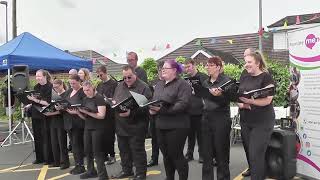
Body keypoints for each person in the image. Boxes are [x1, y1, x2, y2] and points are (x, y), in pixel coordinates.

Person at [149, 59, 192, 180]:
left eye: (165, 68)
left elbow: (183, 104)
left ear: (174, 70)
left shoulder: (183, 84)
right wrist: (151, 109)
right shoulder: (159, 84)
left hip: (177, 125)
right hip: (160, 124)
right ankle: (169, 177)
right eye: (162, 68)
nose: (162, 70)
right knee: (166, 156)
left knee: (176, 155)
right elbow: (155, 101)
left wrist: (161, 110)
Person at [238, 51, 275, 180]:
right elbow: (239, 96)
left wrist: (251, 102)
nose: (246, 64)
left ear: (257, 63)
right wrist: (242, 104)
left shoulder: (266, 77)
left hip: (262, 122)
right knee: (252, 155)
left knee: (255, 155)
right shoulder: (244, 77)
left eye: (249, 62)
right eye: (245, 62)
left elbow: (268, 100)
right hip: (246, 121)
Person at [112, 65, 152, 180]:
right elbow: (115, 100)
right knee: (123, 150)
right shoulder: (120, 86)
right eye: (124, 78)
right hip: (121, 125)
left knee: (137, 150)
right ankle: (126, 170)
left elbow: (147, 107)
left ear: (135, 74)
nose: (127, 80)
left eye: (129, 77)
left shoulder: (144, 87)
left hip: (137, 125)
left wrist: (131, 113)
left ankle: (140, 174)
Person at [201, 56, 235, 180]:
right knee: (207, 154)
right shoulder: (205, 82)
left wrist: (220, 95)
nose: (207, 67)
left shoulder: (227, 81)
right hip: (206, 119)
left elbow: (231, 98)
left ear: (218, 67)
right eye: (207, 65)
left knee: (221, 153)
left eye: (210, 65)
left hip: (221, 119)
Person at [68, 81, 109, 180]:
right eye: (85, 90)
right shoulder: (85, 99)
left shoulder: (99, 98)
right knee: (88, 151)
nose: (86, 92)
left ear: (93, 87)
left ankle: (103, 176)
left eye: (88, 90)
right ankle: (91, 171)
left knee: (97, 152)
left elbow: (101, 116)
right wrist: (78, 113)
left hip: (98, 128)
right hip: (88, 127)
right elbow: (86, 118)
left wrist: (86, 111)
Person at [183, 59, 208, 163]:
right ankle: (189, 153)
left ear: (194, 65)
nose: (187, 69)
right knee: (190, 134)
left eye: (188, 66)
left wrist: (197, 91)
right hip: (188, 110)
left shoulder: (203, 77)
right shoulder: (185, 79)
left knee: (201, 134)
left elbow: (207, 92)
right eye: (185, 67)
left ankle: (202, 154)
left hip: (201, 110)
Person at [26, 69, 53, 165]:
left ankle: (49, 158)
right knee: (37, 137)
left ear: (45, 76)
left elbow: (48, 103)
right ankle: (39, 158)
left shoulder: (50, 86)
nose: (37, 78)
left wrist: (35, 100)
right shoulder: (36, 87)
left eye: (39, 76)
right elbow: (34, 100)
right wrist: (30, 103)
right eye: (36, 76)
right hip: (35, 114)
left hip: (45, 115)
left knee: (46, 137)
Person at [43, 79, 70, 169]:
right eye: (54, 88)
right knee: (54, 142)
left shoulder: (65, 94)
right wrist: (47, 109)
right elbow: (53, 107)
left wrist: (50, 113)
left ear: (62, 85)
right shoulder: (54, 95)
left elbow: (62, 110)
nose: (55, 89)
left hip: (61, 121)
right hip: (53, 121)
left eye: (57, 87)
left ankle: (65, 162)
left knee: (61, 142)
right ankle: (56, 161)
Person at [95, 65, 118, 165]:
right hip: (101, 112)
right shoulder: (99, 85)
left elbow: (116, 98)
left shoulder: (114, 84)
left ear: (106, 72)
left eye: (101, 75)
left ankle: (112, 155)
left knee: (110, 136)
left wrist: (107, 100)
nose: (100, 77)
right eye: (98, 76)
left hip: (110, 113)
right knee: (102, 136)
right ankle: (104, 155)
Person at [64, 74, 86, 175]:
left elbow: (85, 106)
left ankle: (80, 166)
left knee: (78, 145)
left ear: (79, 81)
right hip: (69, 122)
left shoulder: (83, 92)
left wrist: (77, 111)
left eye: (74, 83)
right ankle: (77, 165)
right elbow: (63, 101)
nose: (72, 85)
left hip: (79, 122)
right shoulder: (69, 91)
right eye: (70, 83)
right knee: (73, 145)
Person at [241, 47, 255, 177]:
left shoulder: (265, 73)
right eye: (244, 57)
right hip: (244, 115)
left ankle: (259, 168)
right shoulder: (243, 73)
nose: (245, 60)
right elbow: (240, 91)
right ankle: (251, 167)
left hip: (258, 116)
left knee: (257, 145)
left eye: (248, 57)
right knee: (246, 142)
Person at [147, 61, 164, 167]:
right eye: (159, 70)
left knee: (164, 139)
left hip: (164, 114)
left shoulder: (171, 83)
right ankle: (154, 158)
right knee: (154, 138)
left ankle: (170, 158)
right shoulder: (154, 83)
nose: (160, 73)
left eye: (162, 70)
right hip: (153, 113)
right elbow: (151, 97)